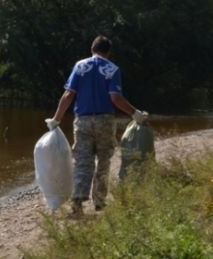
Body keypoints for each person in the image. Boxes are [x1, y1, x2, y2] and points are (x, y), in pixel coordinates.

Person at [46, 36, 148, 216]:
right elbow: (115, 98)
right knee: (103, 161)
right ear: (108, 52)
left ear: (92, 48)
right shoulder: (112, 68)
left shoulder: (80, 66)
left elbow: (68, 95)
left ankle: (77, 203)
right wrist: (135, 113)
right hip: (105, 121)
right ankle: (99, 202)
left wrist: (56, 119)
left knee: (83, 162)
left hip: (82, 121)